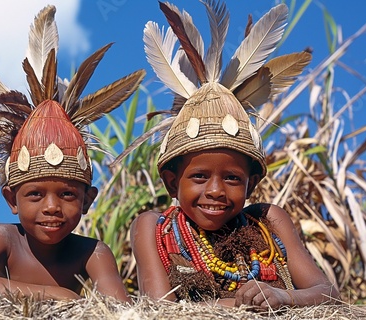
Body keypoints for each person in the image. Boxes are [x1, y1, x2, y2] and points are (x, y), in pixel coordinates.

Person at [128, 1, 340, 310]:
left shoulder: (268, 222)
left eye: (232, 178)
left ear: (251, 184)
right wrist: (237, 307)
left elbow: (329, 294)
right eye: (200, 176)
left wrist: (283, 296)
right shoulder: (154, 229)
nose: (215, 191)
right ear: (172, 182)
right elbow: (161, 309)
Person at [0, 5, 145, 307]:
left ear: (88, 200)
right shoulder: (3, 239)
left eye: (68, 194)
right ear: (11, 199)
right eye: (34, 194)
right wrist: (60, 296)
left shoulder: (93, 253)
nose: (52, 207)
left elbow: (122, 310)